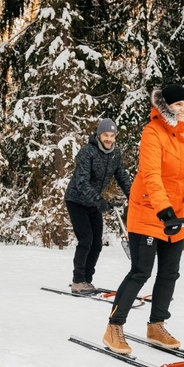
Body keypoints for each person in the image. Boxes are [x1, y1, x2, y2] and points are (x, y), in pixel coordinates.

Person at [102, 83, 184, 355]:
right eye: (177, 105)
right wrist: (163, 210)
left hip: (173, 215)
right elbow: (151, 174)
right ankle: (114, 327)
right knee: (141, 272)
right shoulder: (152, 132)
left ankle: (157, 325)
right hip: (148, 211)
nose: (183, 109)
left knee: (169, 273)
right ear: (165, 107)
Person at [64, 118, 131, 294]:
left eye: (112, 135)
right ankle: (78, 281)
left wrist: (133, 196)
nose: (108, 139)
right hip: (76, 200)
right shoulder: (87, 152)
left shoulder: (115, 154)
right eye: (105, 135)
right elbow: (81, 182)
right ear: (99, 135)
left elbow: (122, 176)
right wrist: (98, 200)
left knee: (97, 244)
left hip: (93, 202)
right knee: (86, 240)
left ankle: (87, 280)